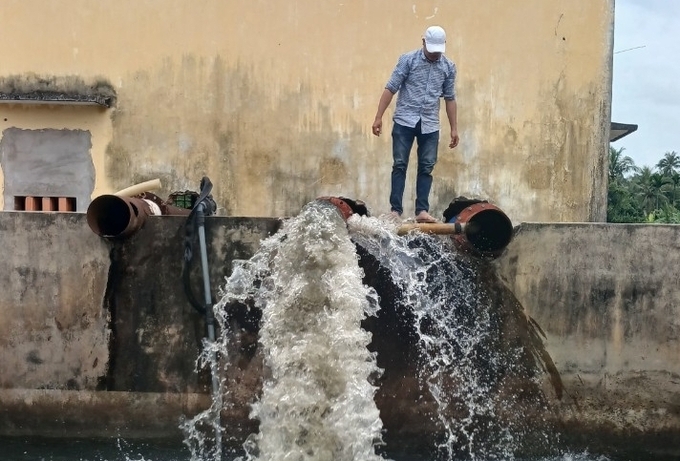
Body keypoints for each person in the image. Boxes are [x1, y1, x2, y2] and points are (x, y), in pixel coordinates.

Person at [372, 25, 459, 223]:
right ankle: (395, 210)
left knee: (427, 167)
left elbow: (450, 98)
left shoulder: (448, 67)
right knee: (400, 164)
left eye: (438, 50)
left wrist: (454, 128)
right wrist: (378, 117)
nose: (435, 54)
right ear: (423, 43)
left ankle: (422, 211)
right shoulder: (408, 60)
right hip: (405, 120)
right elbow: (391, 88)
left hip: (430, 124)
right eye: (431, 49)